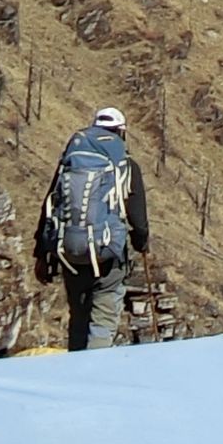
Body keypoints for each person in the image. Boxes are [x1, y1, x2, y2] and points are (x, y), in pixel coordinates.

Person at [34, 107, 150, 349]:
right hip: (108, 254)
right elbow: (137, 218)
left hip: (70, 252)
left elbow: (50, 204)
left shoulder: (71, 161)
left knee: (78, 317)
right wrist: (142, 243)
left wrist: (41, 254)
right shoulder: (126, 165)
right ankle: (93, 374)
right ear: (121, 132)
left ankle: (75, 370)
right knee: (103, 321)